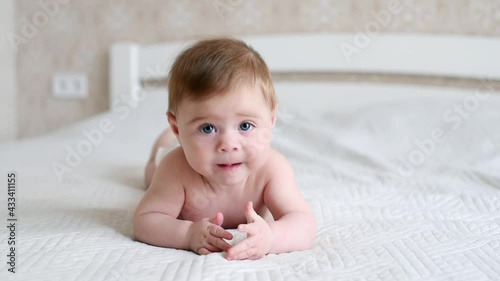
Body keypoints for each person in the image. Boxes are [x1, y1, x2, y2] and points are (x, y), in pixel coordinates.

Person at [133, 37, 316, 260]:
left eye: (245, 125)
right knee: (152, 175)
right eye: (208, 128)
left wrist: (272, 237)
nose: (229, 144)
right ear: (177, 128)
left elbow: (303, 222)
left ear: (271, 120)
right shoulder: (175, 169)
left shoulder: (272, 170)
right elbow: (146, 220)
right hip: (175, 153)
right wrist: (187, 233)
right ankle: (160, 147)